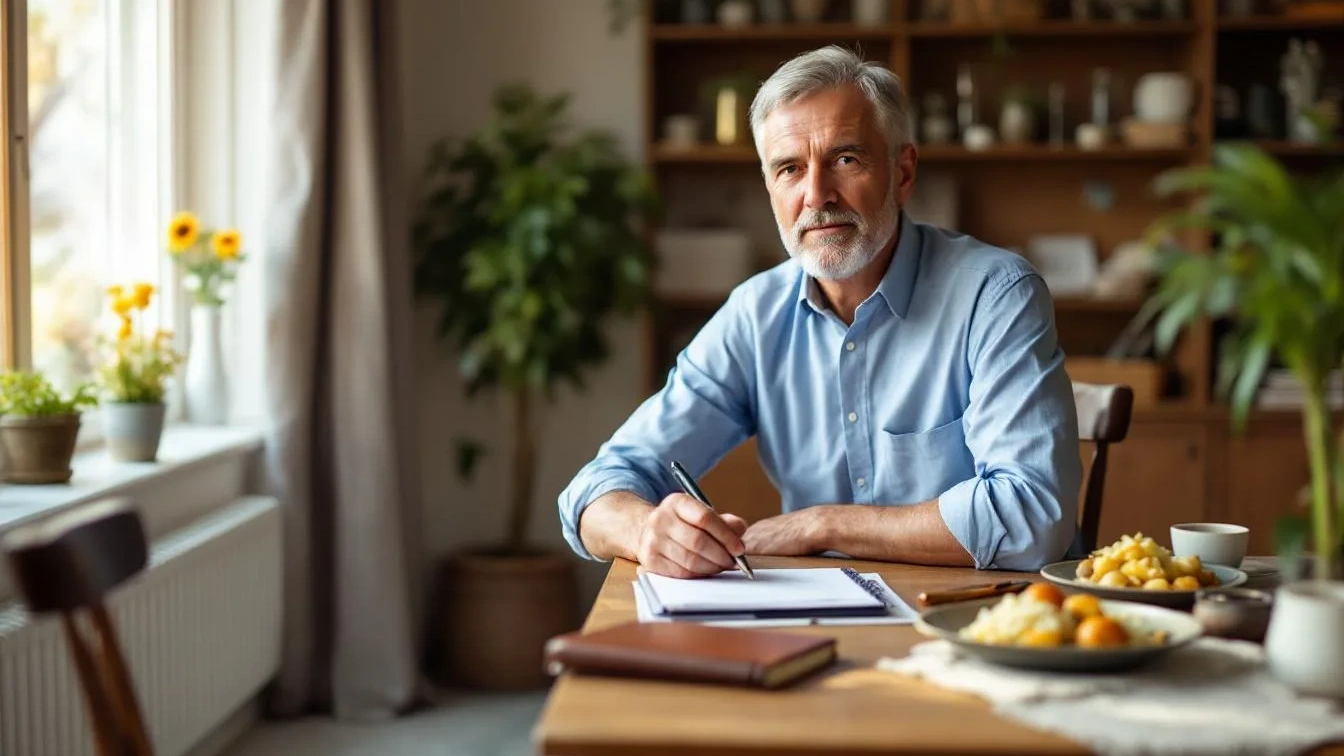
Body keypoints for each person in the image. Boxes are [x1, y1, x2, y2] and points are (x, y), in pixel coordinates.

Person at [557, 45, 1081, 578]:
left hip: (977, 626)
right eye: (789, 169)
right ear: (770, 189)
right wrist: (649, 531)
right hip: (814, 625)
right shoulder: (755, 314)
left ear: (902, 173)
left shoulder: (994, 294)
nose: (816, 195)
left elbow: (1034, 515)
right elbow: (594, 490)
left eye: (845, 159)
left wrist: (820, 526)